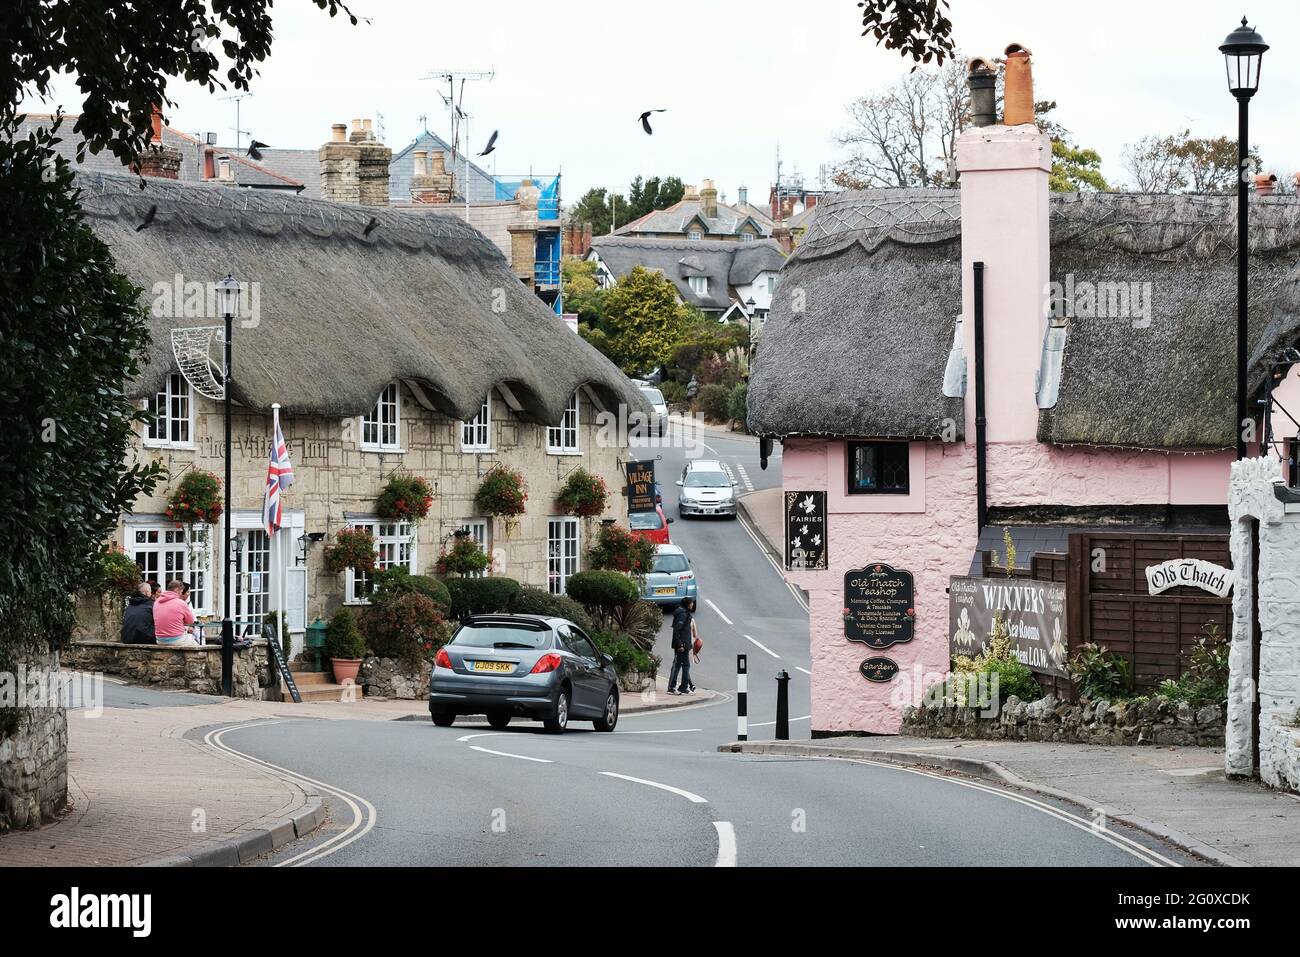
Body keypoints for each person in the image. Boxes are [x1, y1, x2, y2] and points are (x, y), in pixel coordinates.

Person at [153, 579, 198, 647]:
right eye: (181, 592)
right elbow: (190, 621)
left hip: (160, 639)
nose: (180, 595)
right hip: (177, 639)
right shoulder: (181, 603)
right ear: (177, 590)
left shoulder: (157, 602)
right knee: (195, 644)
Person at [668, 596, 696, 695]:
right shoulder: (682, 615)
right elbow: (677, 630)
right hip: (681, 645)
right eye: (691, 603)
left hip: (684, 645)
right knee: (684, 665)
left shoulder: (684, 614)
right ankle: (681, 687)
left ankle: (675, 687)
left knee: (679, 665)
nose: (693, 604)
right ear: (688, 604)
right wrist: (680, 644)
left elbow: (685, 631)